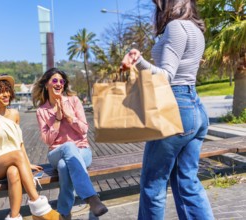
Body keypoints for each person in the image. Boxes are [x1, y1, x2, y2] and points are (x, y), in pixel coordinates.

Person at [121, 0, 214, 219]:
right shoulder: (195, 29)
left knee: (153, 182)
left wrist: (139, 60)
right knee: (186, 181)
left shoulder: (176, 27)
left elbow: (166, 76)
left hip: (175, 105)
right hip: (194, 108)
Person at [0, 74, 60, 220]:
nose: (6, 94)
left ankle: (14, 216)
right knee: (16, 157)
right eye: (1, 91)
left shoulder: (14, 114)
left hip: (15, 160)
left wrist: (26, 164)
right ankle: (40, 208)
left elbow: (19, 144)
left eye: (7, 90)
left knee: (14, 172)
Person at [32, 68, 108, 219]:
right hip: (56, 151)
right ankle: (92, 198)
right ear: (46, 84)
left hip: (82, 150)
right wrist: (58, 120)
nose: (59, 83)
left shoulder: (73, 101)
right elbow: (47, 140)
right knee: (68, 146)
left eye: (62, 81)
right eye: (54, 80)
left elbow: (84, 130)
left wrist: (69, 117)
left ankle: (64, 213)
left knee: (63, 165)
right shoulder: (42, 111)